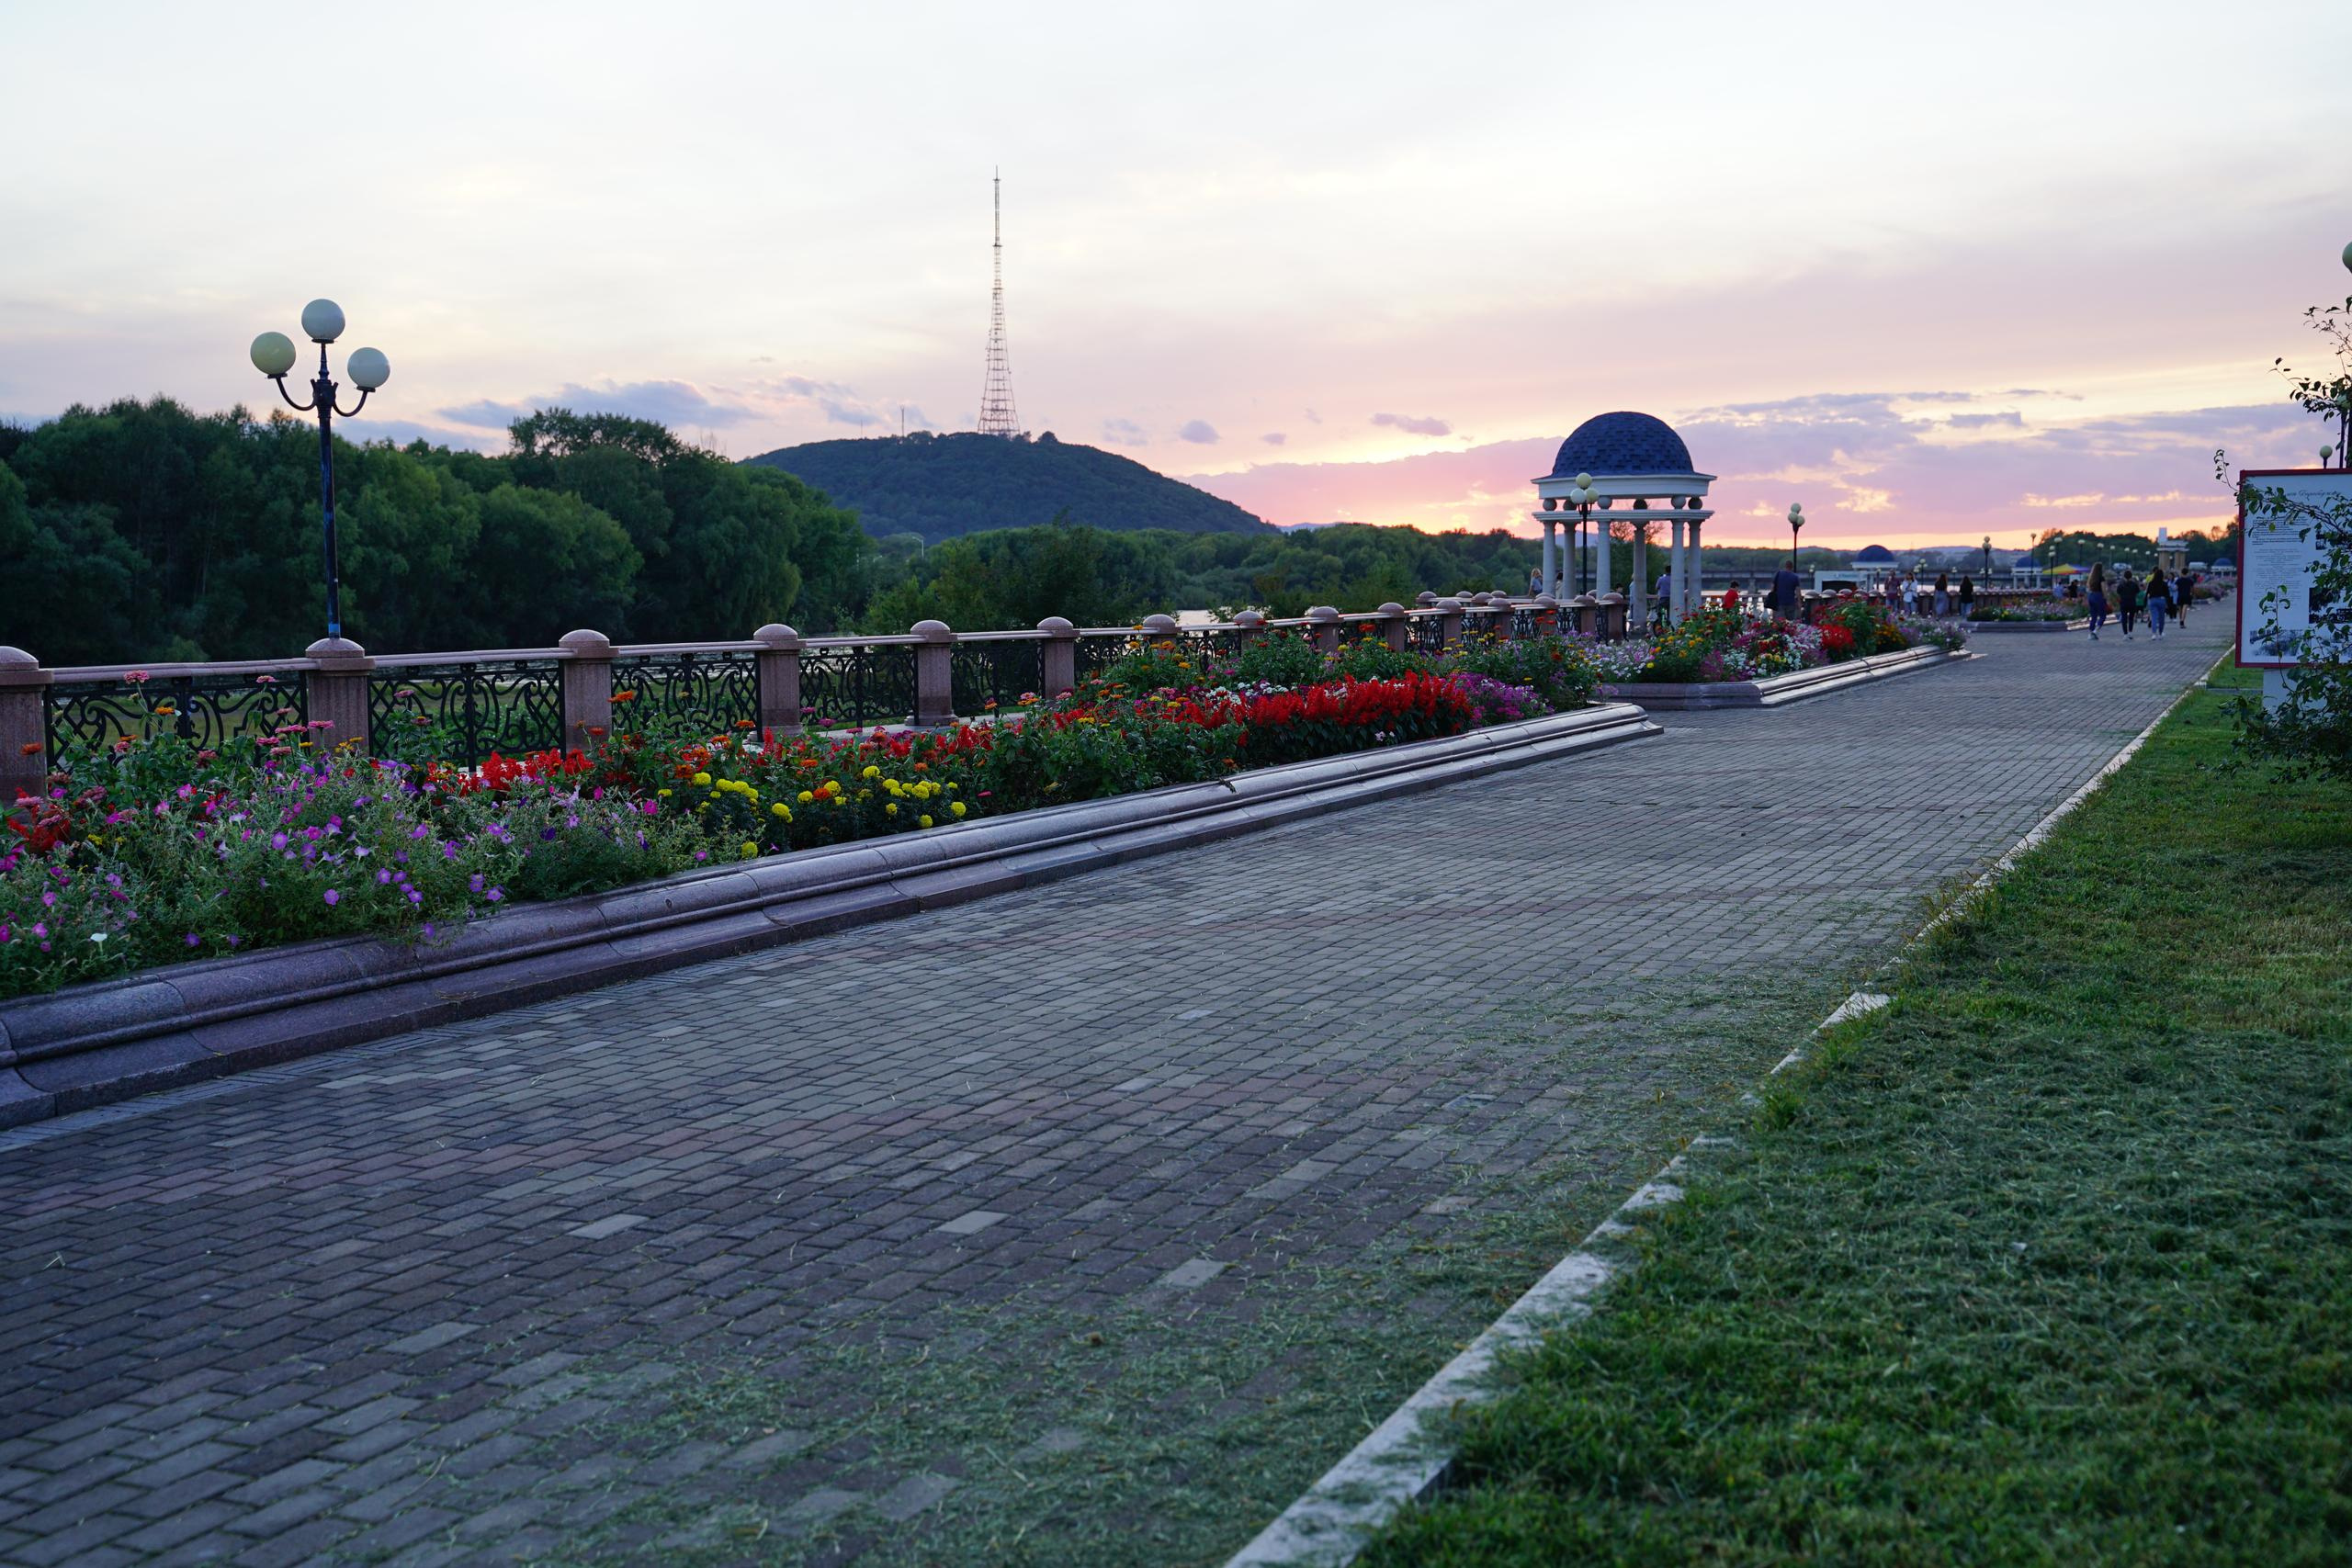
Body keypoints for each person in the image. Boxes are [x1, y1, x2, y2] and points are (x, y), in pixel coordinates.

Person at [2117, 568, 2142, 639]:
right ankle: (2130, 632)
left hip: (2124, 602)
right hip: (2132, 602)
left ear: (2124, 576)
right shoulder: (2134, 584)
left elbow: (2118, 592)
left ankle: (2125, 634)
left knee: (2124, 618)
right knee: (2131, 618)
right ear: (2131, 576)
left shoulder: (2121, 584)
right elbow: (2138, 591)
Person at [1773, 558, 1801, 622]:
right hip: (1791, 602)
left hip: (1779, 602)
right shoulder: (1795, 577)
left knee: (1780, 623)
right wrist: (1799, 602)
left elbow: (1773, 588)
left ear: (1785, 566)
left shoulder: (1778, 574)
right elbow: (1798, 591)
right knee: (1791, 623)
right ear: (1792, 567)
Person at [2147, 567, 2171, 638]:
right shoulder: (2164, 583)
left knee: (2154, 617)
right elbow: (2167, 594)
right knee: (2161, 618)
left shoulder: (2151, 583)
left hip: (2153, 600)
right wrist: (2168, 603)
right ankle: (2160, 633)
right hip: (2161, 600)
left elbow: (2148, 592)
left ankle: (2154, 634)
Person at [2086, 563, 2108, 640]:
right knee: (2103, 615)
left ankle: (2091, 633)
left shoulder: (2091, 578)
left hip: (2091, 596)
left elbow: (2088, 588)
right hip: (2098, 596)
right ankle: (2096, 631)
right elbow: (2104, 589)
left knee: (2093, 616)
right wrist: (2105, 597)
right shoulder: (2101, 578)